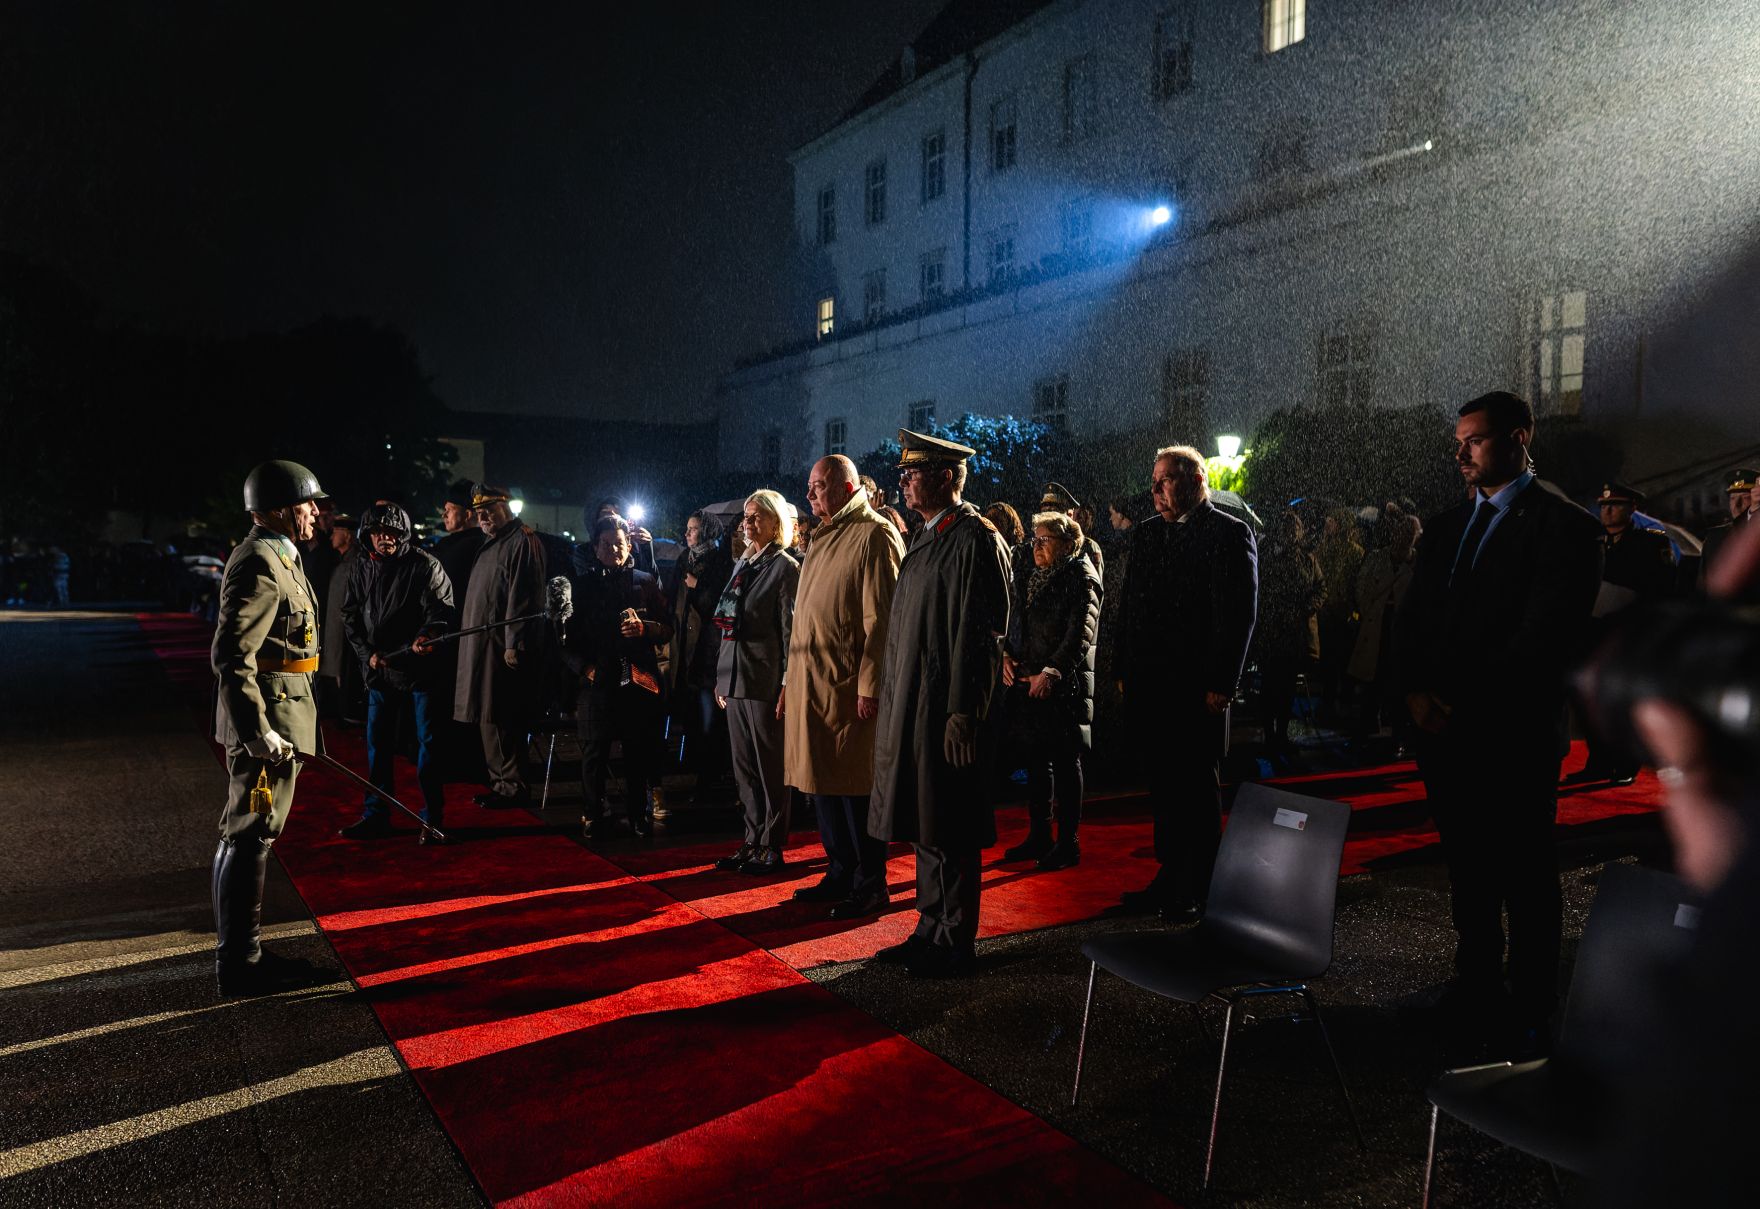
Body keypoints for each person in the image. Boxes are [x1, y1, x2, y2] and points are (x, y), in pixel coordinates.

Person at [1395, 390, 1603, 1053]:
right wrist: (1414, 692)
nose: (1460, 452)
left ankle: (1533, 1001)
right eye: (1458, 439)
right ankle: (1476, 978)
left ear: (1519, 436)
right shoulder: (1447, 526)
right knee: (1468, 866)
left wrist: (1462, 702)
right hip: (1444, 732)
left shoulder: (1564, 526)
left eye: (1475, 439)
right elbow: (1414, 620)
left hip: (1512, 734)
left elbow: (1543, 639)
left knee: (1525, 870)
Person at [870, 430, 1012, 978]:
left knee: (949, 820)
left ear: (946, 478)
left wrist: (963, 713)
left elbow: (981, 637)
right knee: (927, 819)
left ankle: (955, 937)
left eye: (914, 471)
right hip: (916, 702)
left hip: (945, 708)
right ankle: (930, 927)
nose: (903, 480)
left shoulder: (974, 537)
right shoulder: (930, 536)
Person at [1112, 444, 1258, 917]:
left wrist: (1222, 680)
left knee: (1196, 786)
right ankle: (1170, 874)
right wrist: (1122, 669)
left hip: (1199, 688)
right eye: (1153, 480)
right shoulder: (1147, 535)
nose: (1155, 489)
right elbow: (1130, 607)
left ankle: (1200, 885)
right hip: (1153, 685)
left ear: (1197, 480)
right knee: (1163, 785)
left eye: (1166, 479)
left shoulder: (1229, 533)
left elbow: (1237, 615)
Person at [210, 459, 329, 997]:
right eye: (308, 504)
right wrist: (257, 730)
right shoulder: (260, 559)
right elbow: (232, 655)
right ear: (281, 510)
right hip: (269, 722)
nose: (315, 513)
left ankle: (241, 956)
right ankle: (241, 965)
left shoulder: (281, 554)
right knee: (252, 834)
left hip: (281, 712)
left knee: (244, 833)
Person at [784, 456, 906, 918]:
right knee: (824, 786)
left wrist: (871, 684)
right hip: (815, 683)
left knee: (854, 788)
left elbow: (883, 620)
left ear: (847, 485)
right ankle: (840, 870)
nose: (810, 494)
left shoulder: (874, 534)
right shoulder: (824, 533)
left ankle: (869, 882)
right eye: (810, 485)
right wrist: (790, 682)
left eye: (819, 485)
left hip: (848, 686)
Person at [338, 502, 456, 842]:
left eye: (391, 533)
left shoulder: (424, 565)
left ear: (402, 535)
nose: (384, 539)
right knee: (377, 745)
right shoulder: (362, 565)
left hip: (420, 671)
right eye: (377, 532)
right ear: (368, 535)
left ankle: (432, 818)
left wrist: (427, 636)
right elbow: (350, 615)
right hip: (380, 670)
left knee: (428, 745)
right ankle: (376, 813)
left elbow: (441, 609)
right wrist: (367, 654)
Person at [1000, 511, 1101, 869]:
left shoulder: (1080, 576)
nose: (1037, 546)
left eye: (1045, 540)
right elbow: (1014, 622)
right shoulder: (1030, 574)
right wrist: (1007, 656)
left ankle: (1067, 842)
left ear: (1068, 543)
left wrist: (1053, 671)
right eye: (1035, 539)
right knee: (1037, 763)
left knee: (1066, 761)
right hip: (1029, 684)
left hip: (1064, 689)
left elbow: (1081, 633)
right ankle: (1039, 835)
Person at [565, 514, 673, 837]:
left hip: (636, 680)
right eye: (607, 544)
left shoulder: (645, 581)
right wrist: (584, 667)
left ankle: (638, 815)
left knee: (636, 751)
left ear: (630, 546)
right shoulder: (581, 587)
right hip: (596, 681)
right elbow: (564, 639)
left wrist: (646, 628)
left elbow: (668, 627)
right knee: (594, 753)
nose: (614, 549)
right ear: (596, 547)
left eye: (620, 544)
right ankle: (593, 813)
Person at [1566, 482, 1679, 786]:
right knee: (1590, 702)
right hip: (1593, 632)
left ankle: (1625, 763)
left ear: (1632, 509)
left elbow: (1662, 590)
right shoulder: (1594, 543)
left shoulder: (1650, 543)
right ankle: (1599, 761)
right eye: (1603, 505)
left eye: (1615, 505)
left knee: (1623, 702)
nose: (1607, 510)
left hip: (1628, 633)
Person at [711, 491, 799, 874]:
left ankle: (772, 844)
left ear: (776, 522)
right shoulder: (743, 564)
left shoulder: (785, 568)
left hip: (765, 682)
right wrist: (721, 678)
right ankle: (751, 839)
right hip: (735, 679)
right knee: (744, 767)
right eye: (746, 517)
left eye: (756, 517)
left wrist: (786, 684)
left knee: (770, 769)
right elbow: (727, 629)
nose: (747, 524)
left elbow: (791, 632)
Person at [455, 484, 547, 808]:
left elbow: (523, 597)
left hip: (499, 647)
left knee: (502, 717)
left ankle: (512, 787)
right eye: (479, 513)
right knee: (486, 714)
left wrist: (514, 642)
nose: (483, 518)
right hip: (482, 644)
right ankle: (499, 783)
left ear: (505, 508)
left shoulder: (522, 540)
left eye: (488, 511)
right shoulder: (493, 542)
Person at [668, 510, 734, 788]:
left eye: (693, 529)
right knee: (693, 718)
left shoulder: (721, 562)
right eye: (687, 528)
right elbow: (673, 601)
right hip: (686, 653)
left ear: (706, 531)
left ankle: (711, 778)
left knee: (711, 722)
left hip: (709, 654)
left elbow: (719, 610)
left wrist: (698, 588)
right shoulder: (684, 559)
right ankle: (698, 775)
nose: (687, 534)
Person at [1254, 510, 1325, 767]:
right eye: (1289, 527)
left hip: (1294, 634)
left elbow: (1320, 587)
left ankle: (1281, 734)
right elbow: (1260, 591)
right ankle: (1270, 736)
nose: (1293, 532)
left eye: (1296, 527)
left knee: (1287, 689)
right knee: (1270, 688)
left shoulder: (1308, 559)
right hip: (1273, 634)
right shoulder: (1269, 558)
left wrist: (1308, 606)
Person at [1348, 510, 1421, 750]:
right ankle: (1368, 724)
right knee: (1373, 680)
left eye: (1410, 534)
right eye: (1403, 532)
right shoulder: (1379, 558)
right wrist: (1370, 608)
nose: (1404, 538)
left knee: (1398, 683)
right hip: (1377, 625)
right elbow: (1362, 584)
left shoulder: (1417, 563)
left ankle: (1397, 733)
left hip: (1401, 630)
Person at [1313, 507, 1365, 724]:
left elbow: (1358, 585)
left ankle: (1339, 705)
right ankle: (1329, 704)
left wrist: (1353, 612)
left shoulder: (1355, 552)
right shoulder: (1322, 549)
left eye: (1332, 520)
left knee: (1341, 662)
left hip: (1343, 615)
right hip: (1327, 613)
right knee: (1328, 663)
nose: (1327, 523)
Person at [1696, 467, 1754, 593]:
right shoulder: (1714, 537)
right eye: (1733, 498)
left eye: (1745, 498)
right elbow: (1704, 586)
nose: (1737, 505)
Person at [1038, 482, 1104, 581]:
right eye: (1045, 512)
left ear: (1069, 515)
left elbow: (1094, 587)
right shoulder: (1034, 546)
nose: (1048, 518)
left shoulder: (1087, 547)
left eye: (1054, 512)